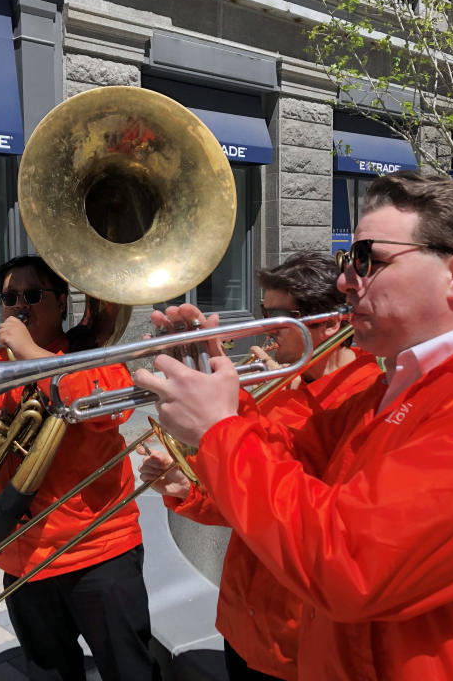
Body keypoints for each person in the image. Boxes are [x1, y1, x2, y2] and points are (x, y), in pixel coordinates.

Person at [133, 171, 453, 680]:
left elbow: (350, 565)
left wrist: (219, 428)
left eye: (366, 259)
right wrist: (210, 387)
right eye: (347, 261)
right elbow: (287, 472)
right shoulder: (405, 384)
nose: (345, 280)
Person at [139, 251, 382, 680]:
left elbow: (301, 513)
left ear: (333, 322)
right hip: (242, 622)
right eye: (266, 312)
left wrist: (222, 419)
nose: (267, 328)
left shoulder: (365, 404)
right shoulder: (281, 391)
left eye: (281, 316)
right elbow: (241, 504)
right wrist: (184, 489)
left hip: (296, 643)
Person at [0, 256, 160, 681]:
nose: (20, 305)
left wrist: (31, 354)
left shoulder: (92, 357)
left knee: (129, 670)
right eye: (10, 296)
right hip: (23, 556)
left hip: (99, 551)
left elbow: (106, 410)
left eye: (33, 295)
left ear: (61, 303)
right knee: (49, 673)